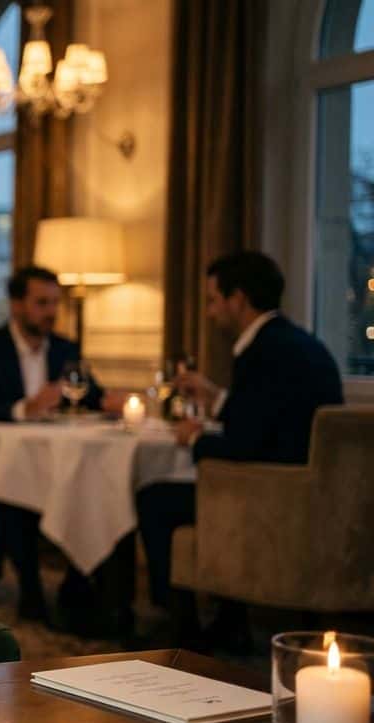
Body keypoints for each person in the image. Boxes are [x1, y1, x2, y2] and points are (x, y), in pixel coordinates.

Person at [137, 251, 343, 649]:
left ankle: (181, 627)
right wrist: (215, 397)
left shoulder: (259, 352)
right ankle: (229, 622)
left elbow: (242, 446)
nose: (210, 312)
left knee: (156, 499)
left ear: (239, 298)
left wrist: (194, 439)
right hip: (313, 501)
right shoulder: (300, 345)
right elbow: (272, 419)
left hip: (270, 500)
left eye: (213, 300)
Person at [0, 266, 116, 625]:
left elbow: (93, 396)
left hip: (58, 461)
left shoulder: (65, 349)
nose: (50, 312)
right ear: (16, 305)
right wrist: (25, 408)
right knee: (14, 491)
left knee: (99, 485)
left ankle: (80, 587)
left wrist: (114, 402)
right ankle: (31, 591)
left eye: (54, 303)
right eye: (41, 303)